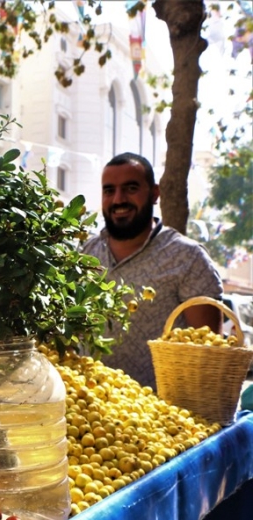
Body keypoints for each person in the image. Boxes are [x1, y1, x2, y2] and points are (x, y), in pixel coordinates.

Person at [82, 152, 223, 389]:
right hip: (91, 413)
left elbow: (209, 351)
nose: (118, 199)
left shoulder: (188, 258)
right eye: (109, 190)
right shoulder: (85, 255)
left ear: (154, 194)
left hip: (165, 416)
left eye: (131, 188)